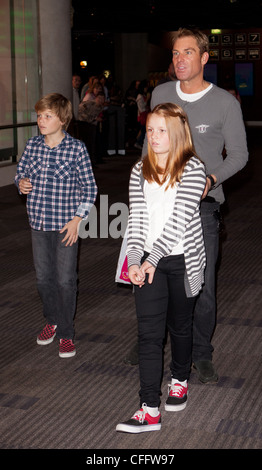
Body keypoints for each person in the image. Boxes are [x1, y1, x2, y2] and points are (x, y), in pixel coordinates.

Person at [131, 27, 247, 383]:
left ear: (204, 58)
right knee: (153, 276)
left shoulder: (225, 103)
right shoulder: (163, 92)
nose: (179, 60)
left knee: (202, 285)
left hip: (203, 208)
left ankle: (202, 353)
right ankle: (150, 340)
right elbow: (151, 143)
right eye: (175, 54)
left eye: (187, 53)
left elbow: (240, 156)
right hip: (159, 205)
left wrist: (209, 180)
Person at [116, 103, 206, 433]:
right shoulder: (139, 170)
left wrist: (151, 259)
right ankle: (149, 408)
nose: (153, 137)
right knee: (149, 335)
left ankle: (180, 378)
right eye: (150, 129)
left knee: (180, 326)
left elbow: (180, 219)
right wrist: (136, 260)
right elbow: (137, 220)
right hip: (150, 260)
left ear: (178, 133)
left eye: (161, 130)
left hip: (182, 260)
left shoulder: (194, 168)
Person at [15, 93, 97, 358]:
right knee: (43, 280)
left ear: (62, 120)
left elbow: (90, 189)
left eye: (47, 116)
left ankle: (66, 333)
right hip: (38, 223)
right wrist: (21, 183)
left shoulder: (76, 149)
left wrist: (77, 220)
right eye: (39, 115)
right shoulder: (32, 146)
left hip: (66, 227)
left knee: (65, 280)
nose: (41, 120)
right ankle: (52, 320)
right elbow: (21, 173)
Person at [78, 91, 106, 164]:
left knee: (92, 144)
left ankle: (92, 161)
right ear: (96, 98)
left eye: (102, 99)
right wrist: (93, 119)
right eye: (99, 98)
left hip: (92, 125)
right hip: (84, 123)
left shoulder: (100, 107)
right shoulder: (89, 104)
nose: (100, 100)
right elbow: (80, 111)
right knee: (87, 143)